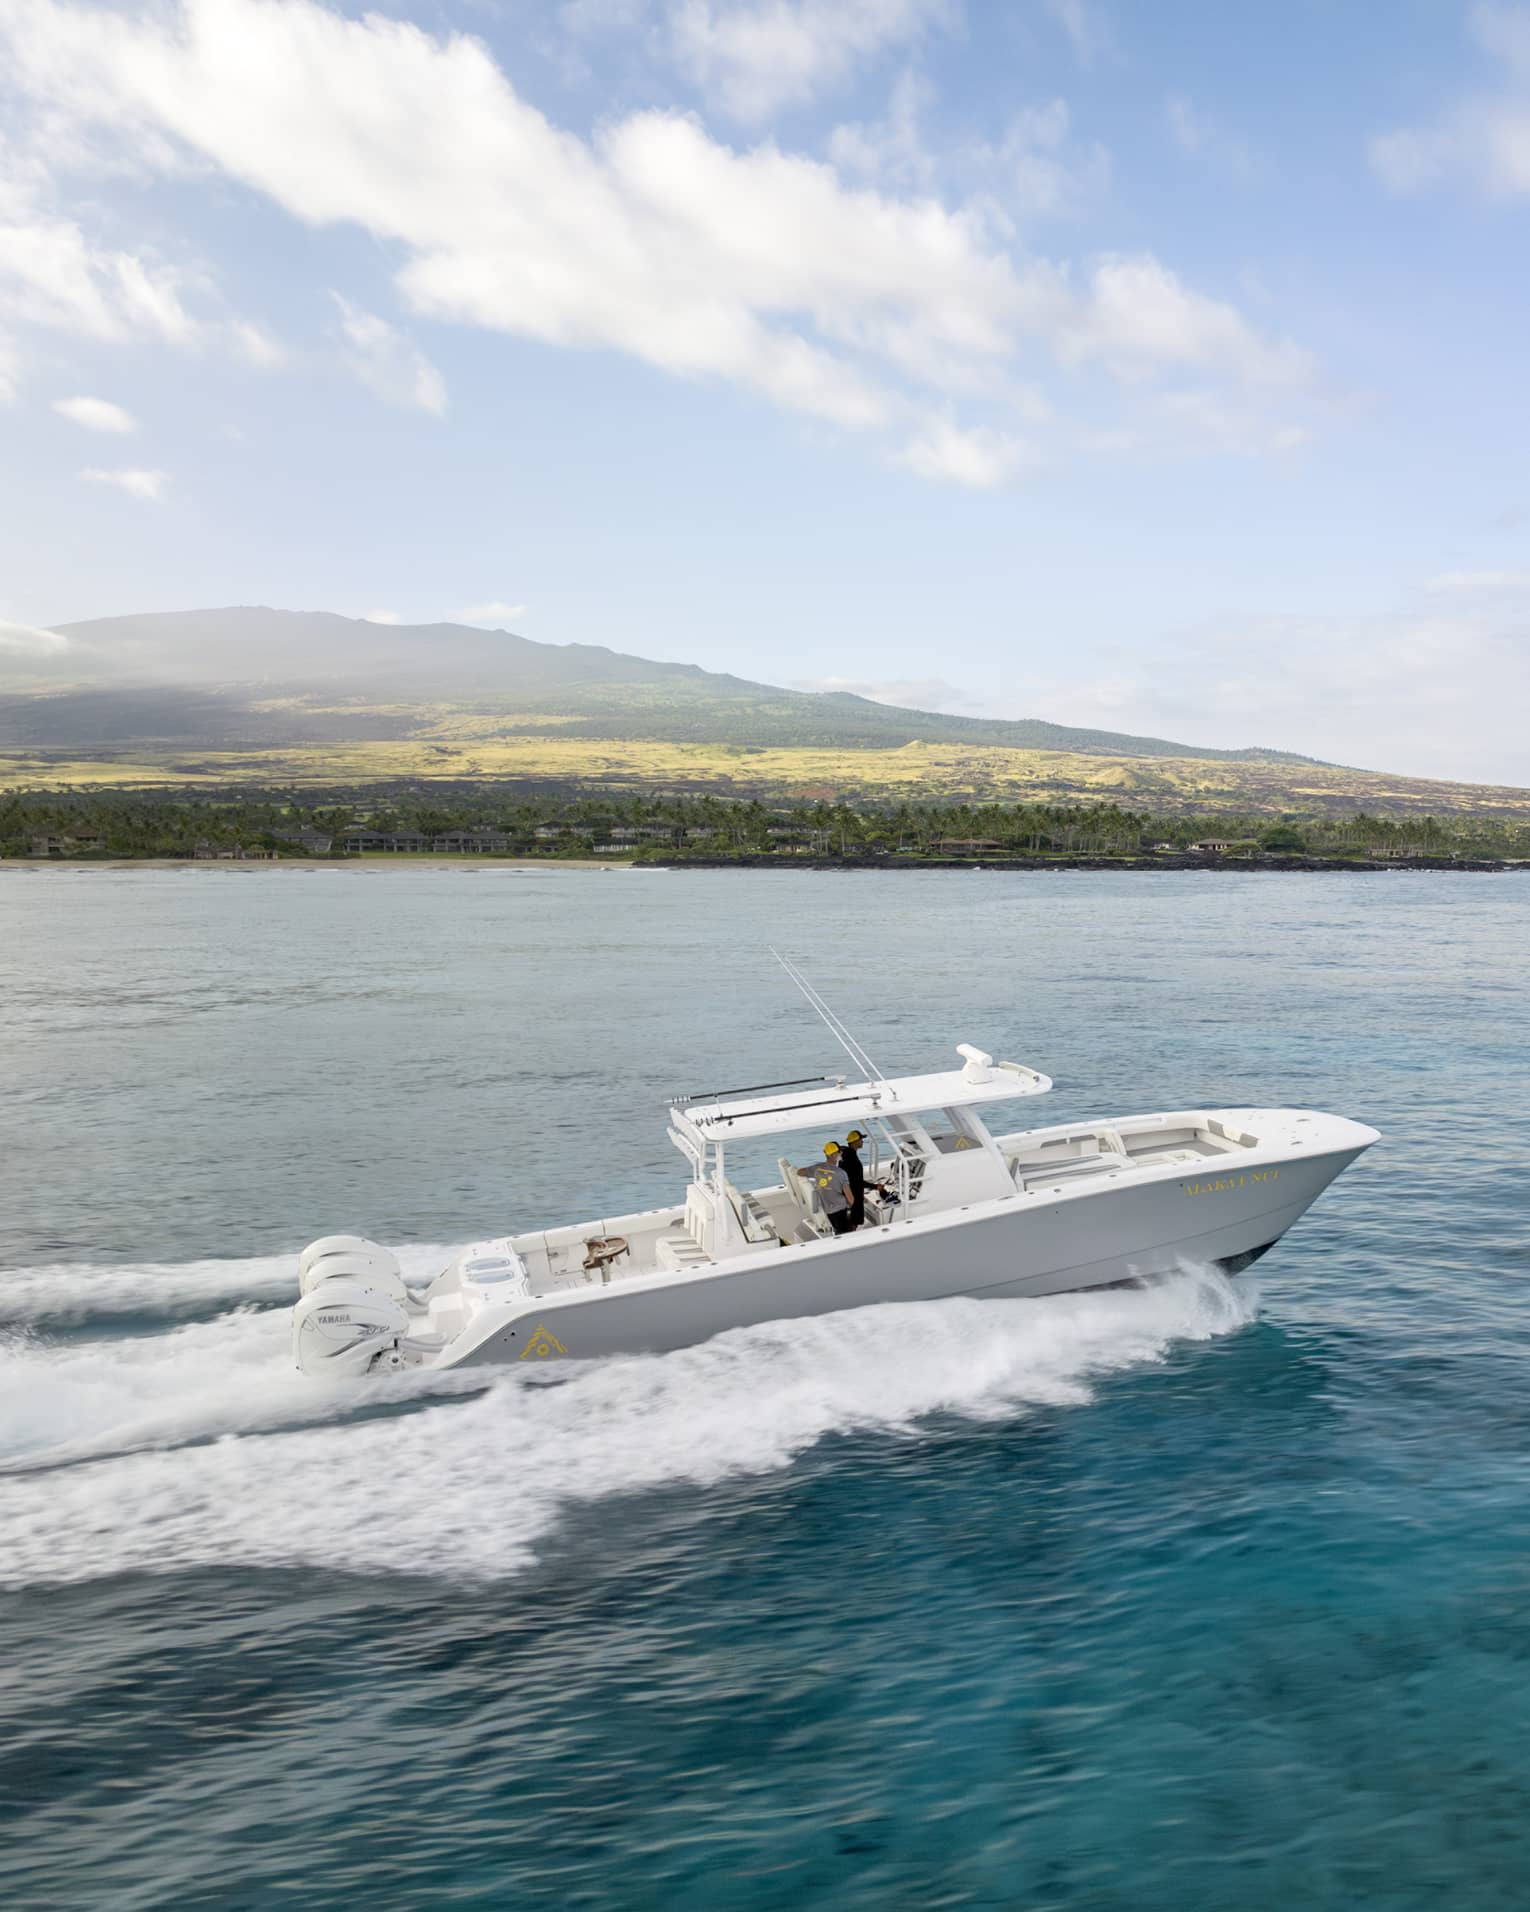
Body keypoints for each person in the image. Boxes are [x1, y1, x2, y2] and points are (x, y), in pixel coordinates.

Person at [812, 1141, 855, 1235]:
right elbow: (851, 1200)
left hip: (828, 1212)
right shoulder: (840, 1173)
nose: (841, 1154)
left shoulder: (818, 1170)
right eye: (839, 1152)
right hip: (839, 1212)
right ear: (833, 1155)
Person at [840, 1128, 868, 1230]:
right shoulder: (853, 1160)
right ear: (855, 1142)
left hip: (847, 1191)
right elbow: (858, 1182)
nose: (862, 1141)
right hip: (853, 1194)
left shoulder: (845, 1155)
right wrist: (875, 1186)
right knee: (854, 1222)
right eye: (861, 1139)